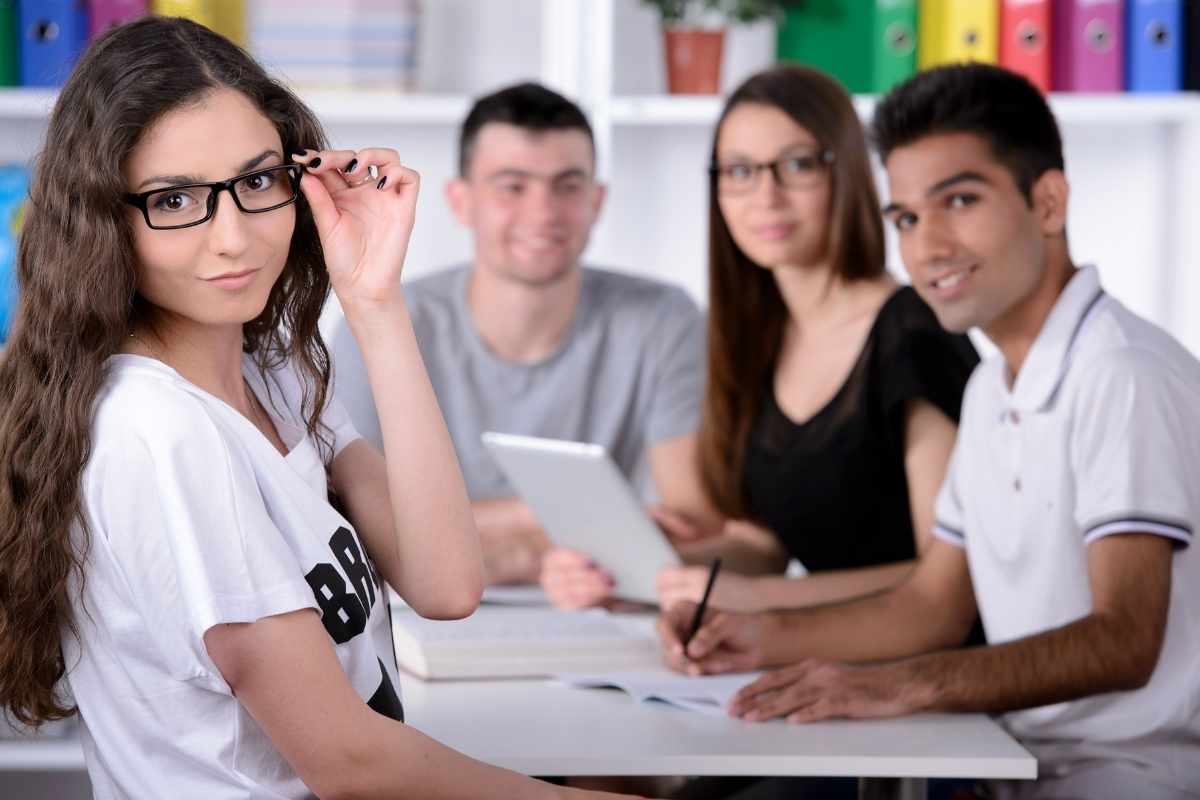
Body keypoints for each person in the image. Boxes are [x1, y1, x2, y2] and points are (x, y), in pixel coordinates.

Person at [0, 17, 643, 800]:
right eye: (174, 200)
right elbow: (348, 762)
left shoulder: (273, 373)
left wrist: (373, 301)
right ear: (106, 222)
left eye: (258, 182)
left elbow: (445, 584)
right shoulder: (159, 432)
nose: (234, 237)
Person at [659, 63, 1200, 800]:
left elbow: (1124, 641)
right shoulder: (989, 386)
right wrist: (751, 640)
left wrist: (899, 685)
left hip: (1126, 775)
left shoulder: (1121, 372)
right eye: (908, 218)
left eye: (961, 201)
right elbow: (930, 604)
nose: (929, 246)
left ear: (1048, 202)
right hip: (1005, 754)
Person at [542, 64, 978, 614]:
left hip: (928, 675)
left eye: (796, 165)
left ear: (846, 173)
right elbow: (767, 549)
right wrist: (646, 576)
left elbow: (945, 578)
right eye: (740, 171)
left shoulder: (915, 336)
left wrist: (756, 598)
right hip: (821, 664)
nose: (765, 196)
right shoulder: (759, 337)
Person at [325, 82, 716, 587]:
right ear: (460, 201)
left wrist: (467, 535)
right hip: (414, 619)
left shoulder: (663, 318)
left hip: (599, 616)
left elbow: (688, 526)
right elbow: (357, 525)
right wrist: (547, 520)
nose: (543, 213)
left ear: (597, 202)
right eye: (512, 186)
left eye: (568, 186)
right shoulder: (387, 318)